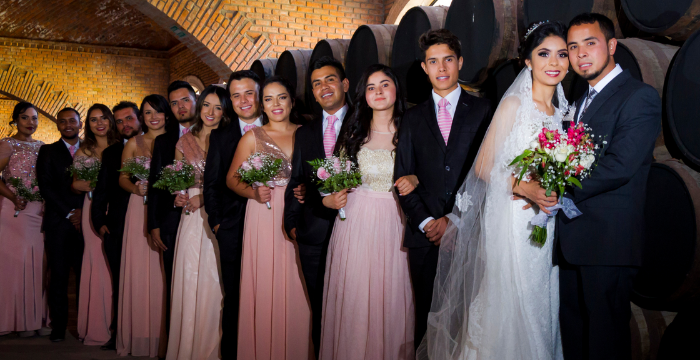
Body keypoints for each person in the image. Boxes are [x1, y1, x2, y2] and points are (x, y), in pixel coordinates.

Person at [417, 21, 569, 360]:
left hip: (546, 222)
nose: (554, 62)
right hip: (512, 222)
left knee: (540, 300)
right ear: (528, 61)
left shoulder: (562, 114)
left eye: (561, 54)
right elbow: (484, 167)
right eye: (544, 54)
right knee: (512, 303)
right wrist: (527, 187)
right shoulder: (514, 105)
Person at [558, 13, 661, 359]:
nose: (581, 54)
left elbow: (619, 166)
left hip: (607, 242)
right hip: (570, 240)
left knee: (605, 342)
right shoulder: (577, 100)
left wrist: (558, 188)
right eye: (573, 47)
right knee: (573, 336)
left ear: (612, 46)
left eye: (591, 43)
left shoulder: (638, 97)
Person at [393, 29, 492, 350]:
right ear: (424, 68)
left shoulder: (483, 111)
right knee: (427, 321)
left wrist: (455, 219)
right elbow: (402, 179)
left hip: (471, 233)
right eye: (433, 62)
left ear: (460, 62)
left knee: (466, 321)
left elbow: (487, 175)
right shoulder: (411, 118)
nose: (441, 68)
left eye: (448, 59)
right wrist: (427, 222)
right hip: (425, 237)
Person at [319, 64, 417, 360]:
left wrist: (416, 179)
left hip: (396, 222)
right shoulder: (353, 130)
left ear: (396, 89)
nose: (378, 92)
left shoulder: (412, 128)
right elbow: (330, 183)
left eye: (385, 84)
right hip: (356, 223)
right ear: (364, 95)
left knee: (393, 297)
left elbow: (427, 172)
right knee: (357, 296)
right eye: (372, 87)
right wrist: (328, 201)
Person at [228, 76, 311, 360]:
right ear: (262, 105)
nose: (276, 104)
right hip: (263, 217)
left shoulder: (307, 132)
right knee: (265, 284)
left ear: (292, 100)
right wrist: (253, 193)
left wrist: (306, 188)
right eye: (268, 99)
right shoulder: (252, 137)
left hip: (299, 214)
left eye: (282, 97)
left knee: (298, 283)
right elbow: (231, 179)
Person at [283, 56, 352, 356]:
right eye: (316, 83)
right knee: (320, 308)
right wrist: (292, 222)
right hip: (313, 233)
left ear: (345, 84)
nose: (324, 87)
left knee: (352, 308)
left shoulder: (363, 123)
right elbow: (297, 178)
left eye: (330, 80)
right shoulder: (305, 132)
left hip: (357, 232)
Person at [166, 85, 232, 360]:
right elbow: (178, 180)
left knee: (213, 280)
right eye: (207, 105)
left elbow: (231, 181)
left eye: (218, 107)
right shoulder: (184, 142)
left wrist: (204, 197)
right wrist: (179, 196)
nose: (211, 112)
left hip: (216, 211)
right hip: (190, 218)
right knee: (190, 277)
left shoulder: (230, 139)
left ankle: (212, 348)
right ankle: (188, 347)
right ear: (200, 106)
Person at [202, 70, 261, 359]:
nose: (243, 100)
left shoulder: (284, 128)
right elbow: (211, 183)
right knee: (236, 297)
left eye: (248, 93)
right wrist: (217, 223)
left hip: (274, 227)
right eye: (236, 95)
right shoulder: (221, 136)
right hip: (232, 228)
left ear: (260, 93)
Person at [116, 95, 172, 357]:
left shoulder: (178, 139)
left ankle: (165, 334)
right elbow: (123, 179)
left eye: (157, 111)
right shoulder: (132, 144)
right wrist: (137, 190)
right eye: (147, 113)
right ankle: (141, 334)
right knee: (140, 271)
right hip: (139, 210)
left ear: (166, 113)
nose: (153, 117)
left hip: (169, 210)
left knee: (165, 274)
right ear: (142, 117)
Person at [91, 101, 143, 350]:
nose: (125, 125)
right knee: (120, 282)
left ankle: (150, 332)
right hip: (117, 228)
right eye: (120, 121)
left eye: (129, 118)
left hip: (150, 224)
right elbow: (101, 190)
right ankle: (120, 333)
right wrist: (99, 222)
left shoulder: (162, 146)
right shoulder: (111, 153)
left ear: (140, 118)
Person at [148, 81, 197, 326]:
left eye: (185, 100)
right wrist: (153, 225)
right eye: (175, 103)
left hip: (204, 220)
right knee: (174, 281)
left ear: (196, 100)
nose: (181, 106)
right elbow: (155, 184)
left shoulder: (215, 133)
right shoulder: (164, 142)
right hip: (170, 220)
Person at [72, 104, 121, 345]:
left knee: (118, 268)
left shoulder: (122, 146)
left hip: (121, 209)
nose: (99, 123)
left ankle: (120, 325)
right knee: (98, 266)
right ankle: (98, 328)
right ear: (88, 125)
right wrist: (100, 186)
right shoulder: (84, 152)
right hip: (94, 210)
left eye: (103, 118)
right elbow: (76, 184)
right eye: (93, 120)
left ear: (111, 120)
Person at [36, 107, 85, 342]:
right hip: (59, 222)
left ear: (80, 124)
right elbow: (46, 187)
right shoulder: (48, 151)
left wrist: (83, 213)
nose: (68, 125)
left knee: (87, 276)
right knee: (58, 277)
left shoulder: (92, 150)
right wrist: (69, 213)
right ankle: (59, 327)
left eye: (72, 121)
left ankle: (85, 327)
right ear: (57, 125)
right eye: (63, 121)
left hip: (87, 222)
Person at [0, 102, 46, 337]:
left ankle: (30, 320)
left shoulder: (43, 147)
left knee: (35, 263)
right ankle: (9, 320)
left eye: (35, 118)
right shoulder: (7, 144)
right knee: (11, 264)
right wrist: (13, 196)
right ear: (15, 120)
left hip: (38, 211)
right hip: (12, 210)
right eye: (25, 118)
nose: (31, 122)